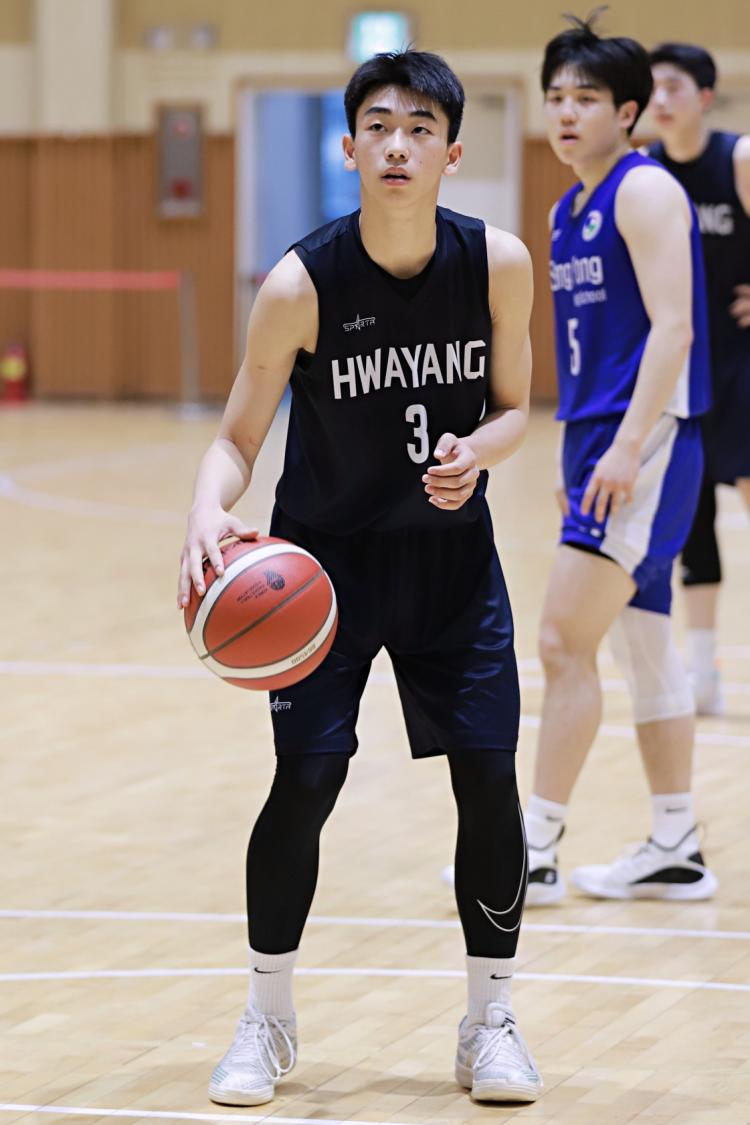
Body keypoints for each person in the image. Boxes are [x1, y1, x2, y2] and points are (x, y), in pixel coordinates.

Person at [177, 50, 542, 1106]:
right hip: (324, 572)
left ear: (452, 153)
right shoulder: (301, 284)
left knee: (488, 780)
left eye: (421, 128)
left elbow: (517, 407)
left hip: (451, 566)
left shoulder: (498, 263)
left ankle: (490, 1020)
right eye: (379, 126)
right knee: (307, 781)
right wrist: (207, 506)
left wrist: (481, 451)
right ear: (349, 148)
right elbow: (238, 437)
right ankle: (268, 1017)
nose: (398, 144)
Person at [522, 16, 719, 905]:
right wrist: (577, 449)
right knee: (644, 644)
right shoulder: (566, 210)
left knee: (563, 641)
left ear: (628, 112)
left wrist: (628, 448)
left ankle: (531, 850)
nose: (566, 113)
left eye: (587, 98)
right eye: (555, 97)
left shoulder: (644, 192)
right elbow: (591, 347)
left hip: (646, 443)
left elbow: (674, 330)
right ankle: (675, 842)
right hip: (598, 442)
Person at [647, 43, 750, 715]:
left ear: (705, 96)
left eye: (674, 87)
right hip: (684, 367)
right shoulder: (646, 172)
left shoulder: (737, 158)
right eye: (652, 88)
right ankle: (704, 670)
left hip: (743, 361)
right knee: (693, 521)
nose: (660, 99)